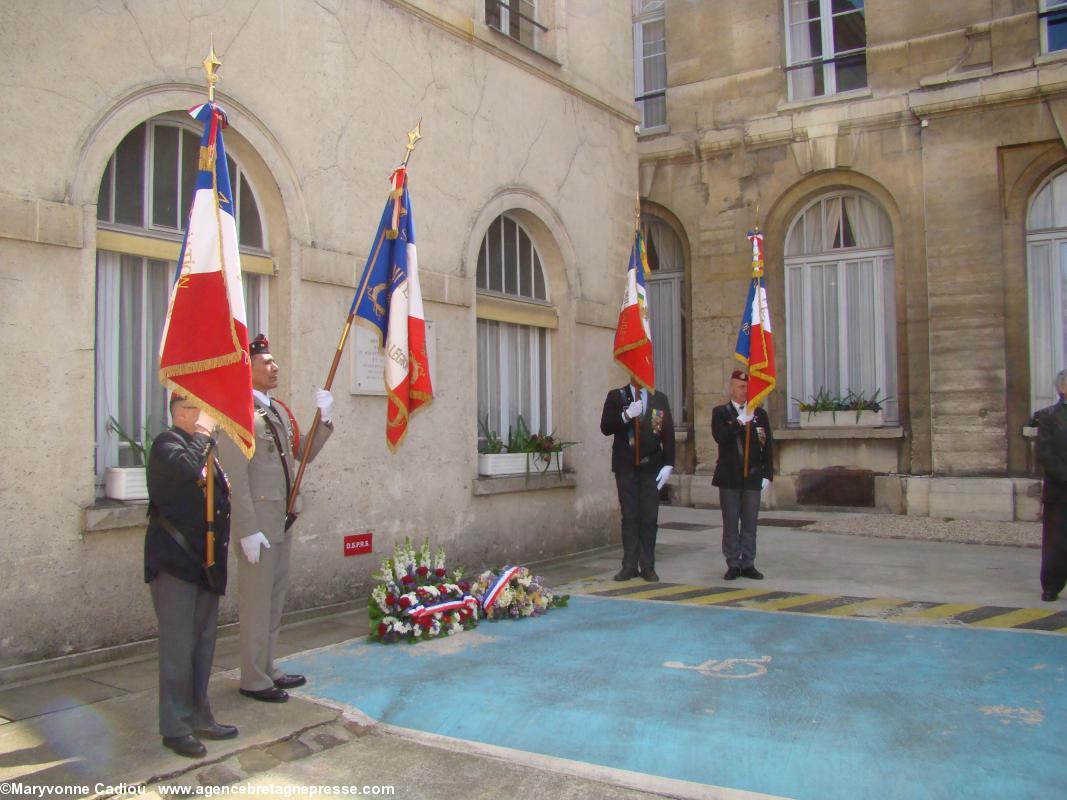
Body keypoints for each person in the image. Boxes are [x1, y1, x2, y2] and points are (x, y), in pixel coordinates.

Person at [216, 334, 334, 702]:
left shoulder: (278, 411)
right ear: (246, 369)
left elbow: (303, 453)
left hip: (282, 521)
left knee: (274, 599)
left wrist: (324, 419)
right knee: (255, 602)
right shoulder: (237, 414)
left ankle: (268, 667)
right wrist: (246, 530)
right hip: (259, 527)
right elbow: (235, 479)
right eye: (265, 362)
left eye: (274, 360)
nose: (274, 366)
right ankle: (252, 678)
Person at [144, 393, 237, 758]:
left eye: (204, 409)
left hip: (204, 564)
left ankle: (200, 714)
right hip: (175, 563)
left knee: (202, 646)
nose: (203, 417)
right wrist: (203, 433)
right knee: (178, 649)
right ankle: (174, 727)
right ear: (179, 413)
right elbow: (185, 470)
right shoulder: (166, 445)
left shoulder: (204, 451)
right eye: (194, 410)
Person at [601, 381, 675, 582]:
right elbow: (606, 427)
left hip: (652, 467)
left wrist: (669, 463)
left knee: (650, 518)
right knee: (630, 516)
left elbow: (667, 433)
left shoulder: (659, 398)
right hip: (626, 467)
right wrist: (626, 415)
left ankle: (648, 566)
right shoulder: (617, 395)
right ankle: (629, 565)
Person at [712, 369, 773, 581]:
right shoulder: (721, 412)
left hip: (752, 477)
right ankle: (733, 563)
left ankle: (748, 562)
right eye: (741, 386)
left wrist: (768, 474)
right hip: (729, 478)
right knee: (730, 523)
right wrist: (739, 421)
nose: (745, 390)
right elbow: (720, 436)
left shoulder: (760, 415)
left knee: (750, 523)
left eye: (747, 387)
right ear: (731, 388)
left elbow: (768, 447)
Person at [1036, 369, 1067, 602]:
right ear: (1062, 389)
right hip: (1060, 489)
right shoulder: (1048, 416)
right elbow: (1046, 454)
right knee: (1056, 542)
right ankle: (1051, 585)